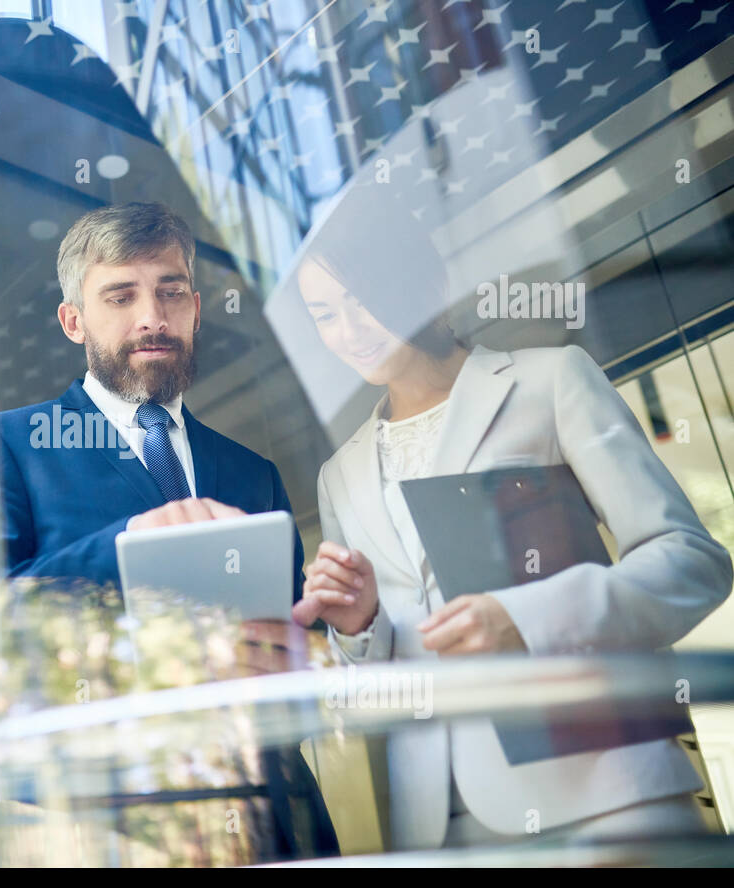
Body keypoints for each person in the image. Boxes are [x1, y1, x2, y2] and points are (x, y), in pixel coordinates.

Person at [289, 185, 733, 850]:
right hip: (441, 822)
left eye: (360, 298)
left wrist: (525, 620)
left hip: (601, 791)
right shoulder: (339, 476)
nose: (347, 330)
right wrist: (359, 631)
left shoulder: (551, 382)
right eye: (325, 313)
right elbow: (374, 685)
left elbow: (691, 560)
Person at [0, 201, 336, 859]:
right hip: (105, 825)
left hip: (277, 827)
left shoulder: (253, 474)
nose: (152, 315)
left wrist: (303, 654)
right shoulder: (6, 444)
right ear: (73, 320)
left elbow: (300, 671)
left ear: (196, 309)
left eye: (171, 292)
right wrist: (129, 545)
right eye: (121, 295)